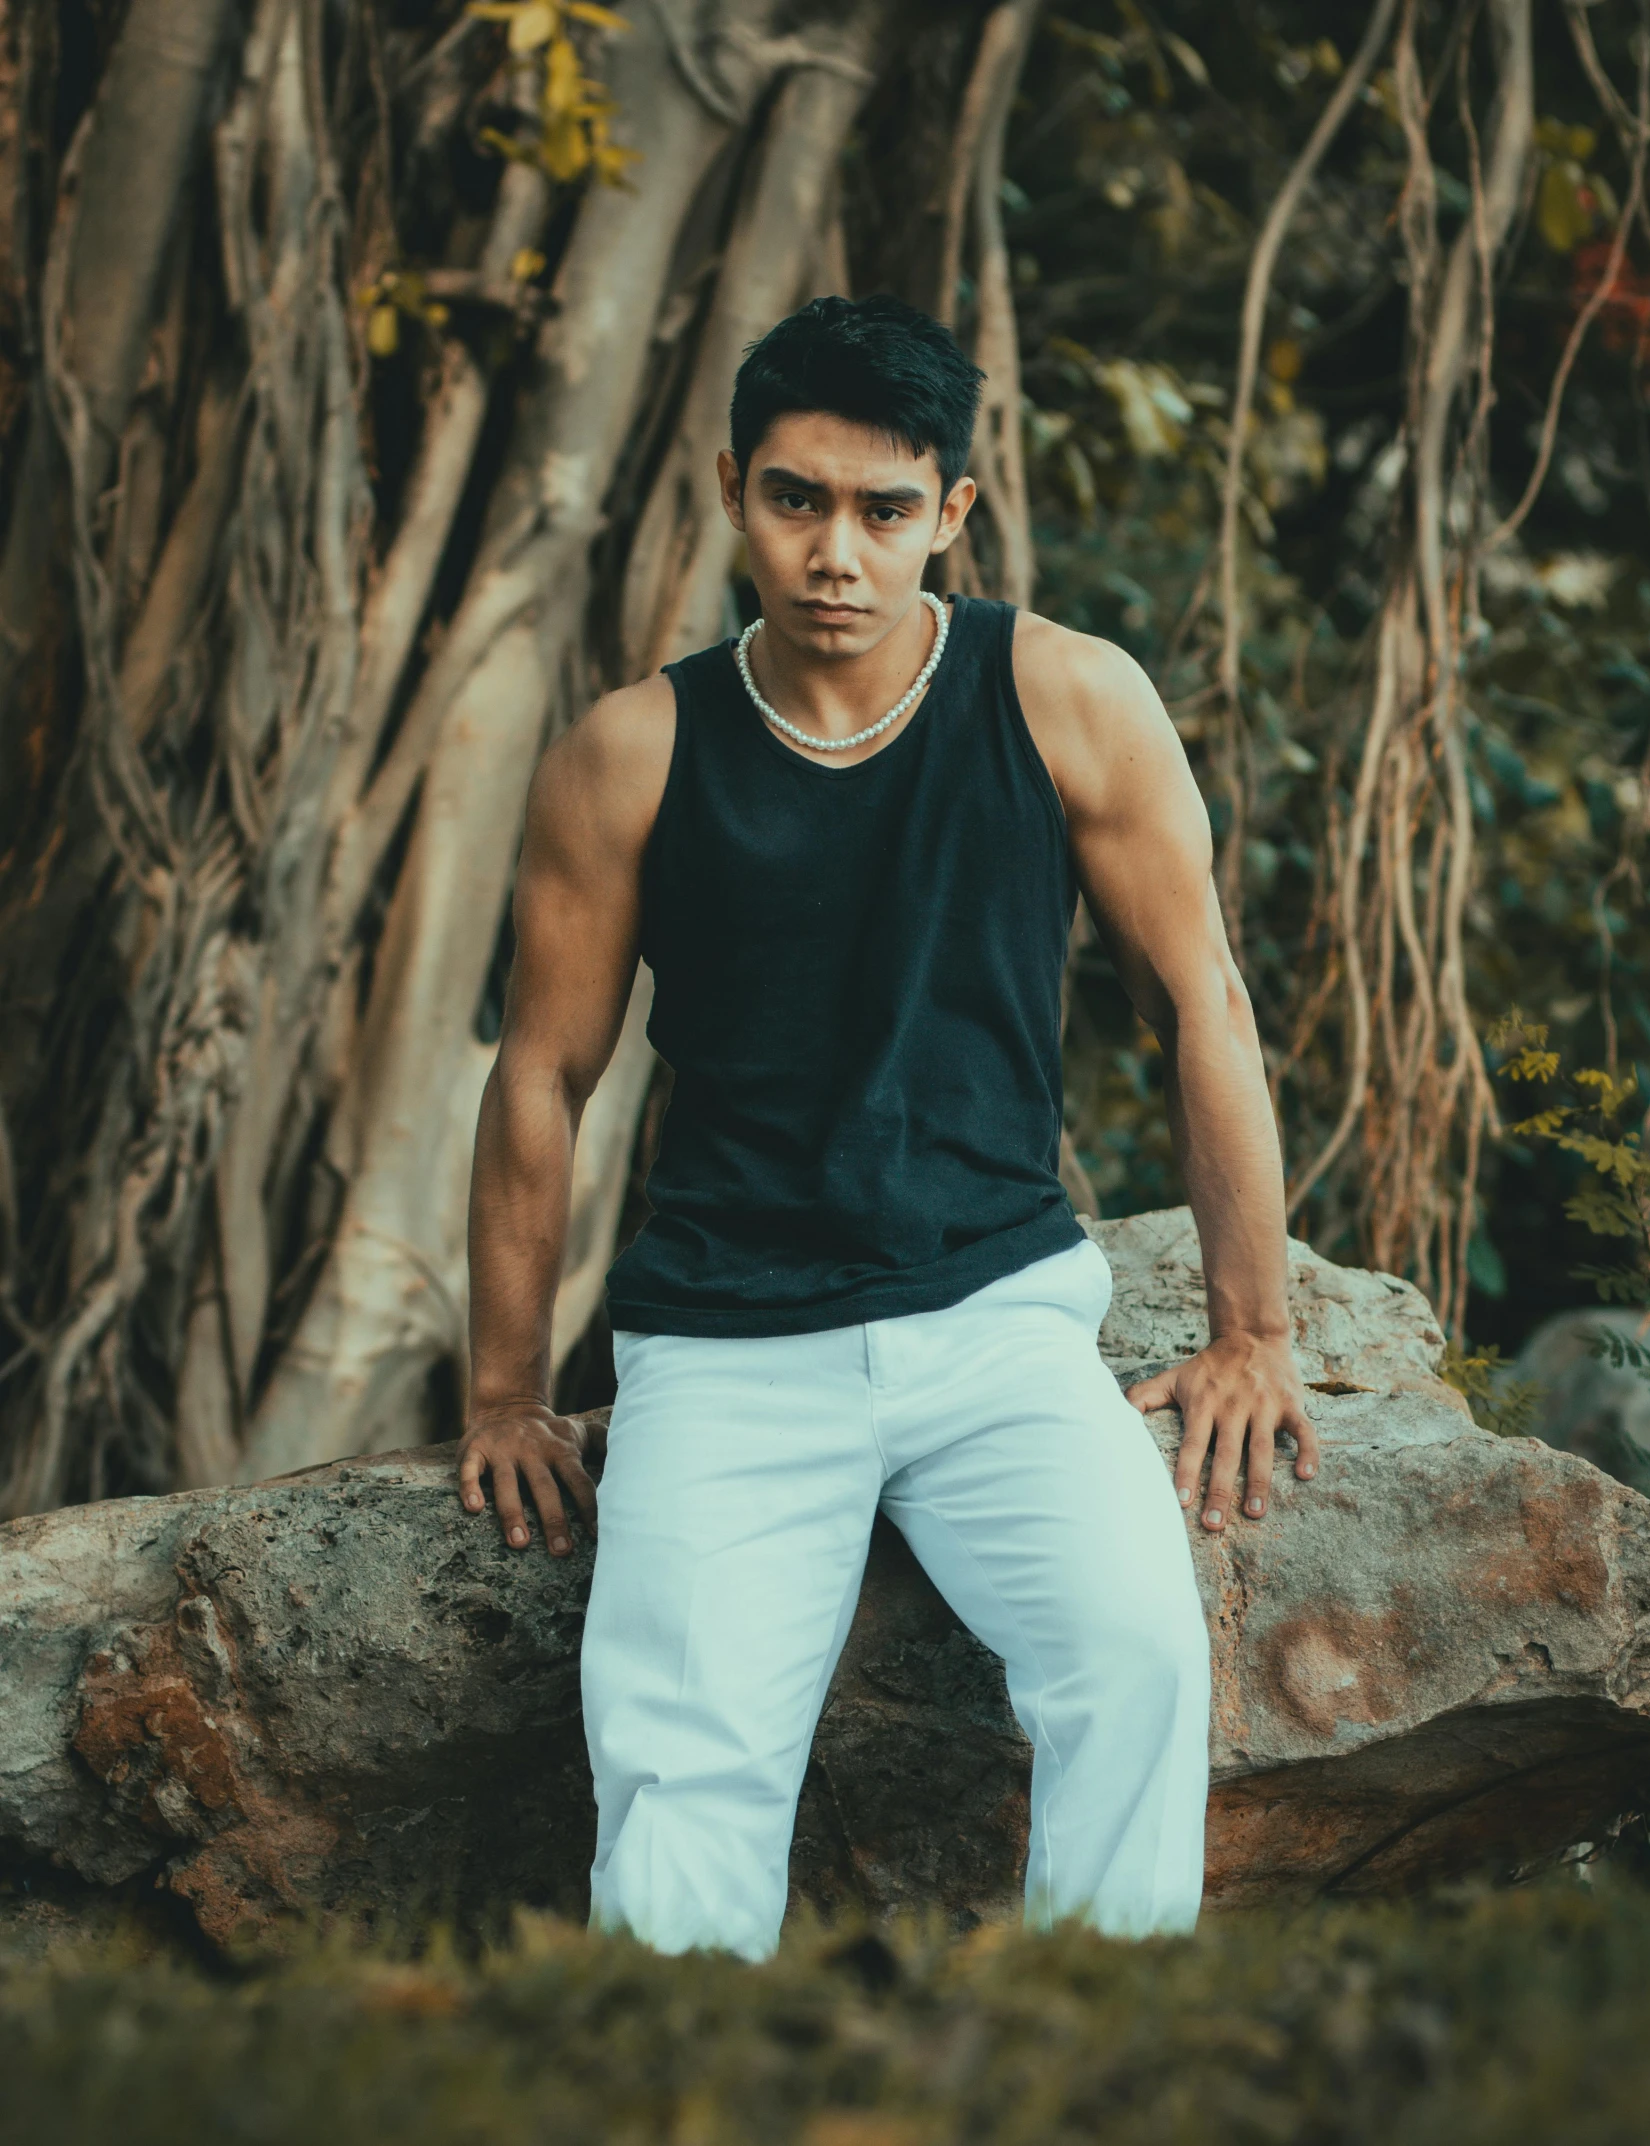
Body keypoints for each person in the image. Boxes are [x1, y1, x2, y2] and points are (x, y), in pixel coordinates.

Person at [456, 294, 1318, 1962]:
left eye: (882, 509)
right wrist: (502, 1388)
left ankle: (1086, 2070)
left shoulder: (1067, 699)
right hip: (725, 1344)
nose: (835, 551)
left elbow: (1204, 998)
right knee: (684, 1776)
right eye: (796, 499)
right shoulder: (631, 754)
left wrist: (1255, 1330)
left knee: (1136, 1657)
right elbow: (541, 1077)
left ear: (953, 513)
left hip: (997, 1320)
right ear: (730, 490)